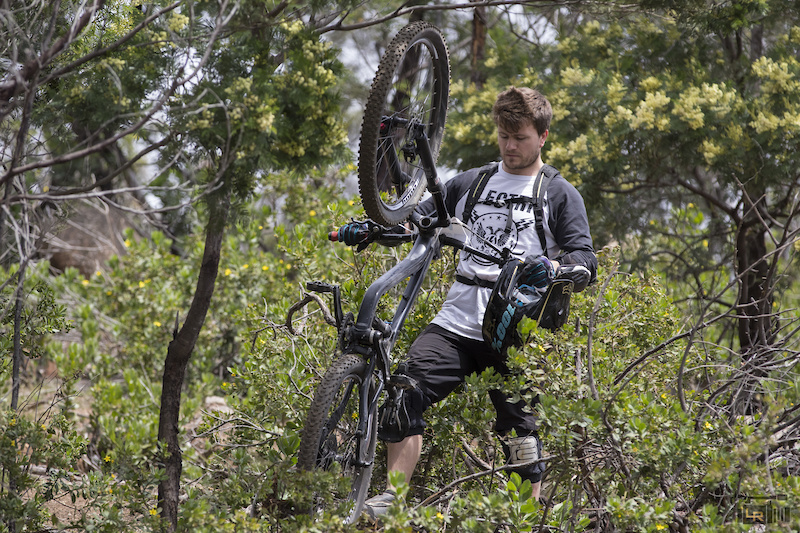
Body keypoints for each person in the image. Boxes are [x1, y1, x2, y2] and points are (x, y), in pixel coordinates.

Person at [346, 87, 597, 519]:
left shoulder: (558, 193)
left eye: (519, 137)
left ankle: (522, 522)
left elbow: (585, 261)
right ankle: (392, 504)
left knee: (520, 438)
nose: (510, 146)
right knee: (403, 395)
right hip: (456, 324)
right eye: (503, 136)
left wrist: (553, 269)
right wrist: (372, 228)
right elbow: (416, 219)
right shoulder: (472, 181)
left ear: (543, 136)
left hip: (517, 333)